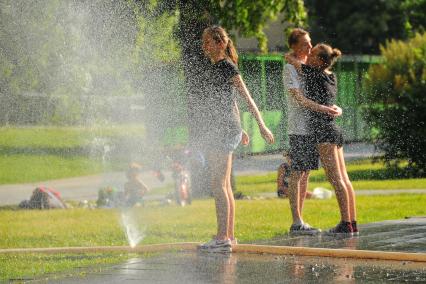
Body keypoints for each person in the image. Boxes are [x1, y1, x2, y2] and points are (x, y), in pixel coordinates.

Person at [197, 25, 274, 253]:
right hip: (227, 128)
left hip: (223, 130)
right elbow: (230, 102)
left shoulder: (227, 67)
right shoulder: (217, 67)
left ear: (221, 43)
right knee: (224, 185)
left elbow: (246, 97)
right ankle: (228, 235)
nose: (205, 46)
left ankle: (222, 238)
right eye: (204, 42)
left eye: (209, 41)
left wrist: (261, 125)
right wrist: (241, 129)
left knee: (218, 184)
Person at [285, 43, 358, 235]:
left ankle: (345, 224)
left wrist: (295, 55)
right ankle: (352, 222)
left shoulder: (313, 73)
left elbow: (289, 58)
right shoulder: (330, 76)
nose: (308, 55)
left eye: (313, 53)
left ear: (319, 61)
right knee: (344, 179)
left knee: (335, 180)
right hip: (334, 130)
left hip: (324, 133)